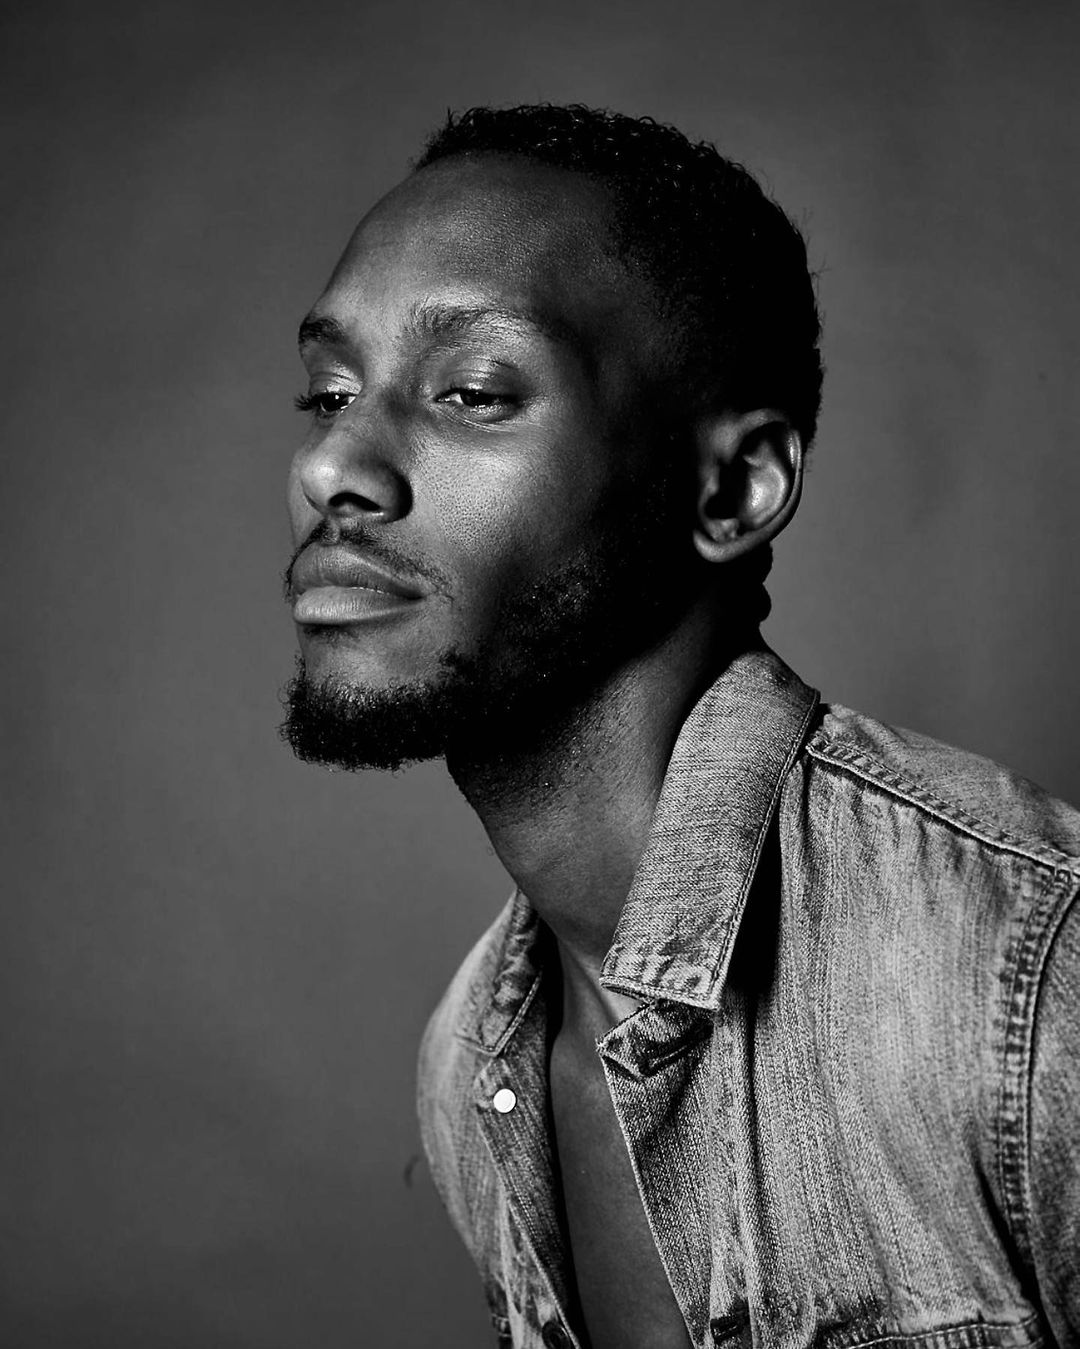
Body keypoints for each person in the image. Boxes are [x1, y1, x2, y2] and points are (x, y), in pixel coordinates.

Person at [281, 104, 1080, 1349]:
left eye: (475, 391)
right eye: (328, 391)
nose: (334, 464)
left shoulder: (1026, 983)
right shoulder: (470, 1065)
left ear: (734, 488)